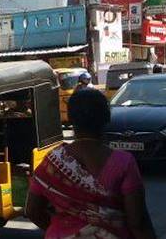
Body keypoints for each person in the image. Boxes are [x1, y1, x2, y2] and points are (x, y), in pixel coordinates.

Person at [25, 89, 156, 239]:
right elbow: (138, 222)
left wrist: (63, 230)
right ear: (106, 118)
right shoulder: (123, 162)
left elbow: (32, 210)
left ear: (70, 118)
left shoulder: (52, 161)